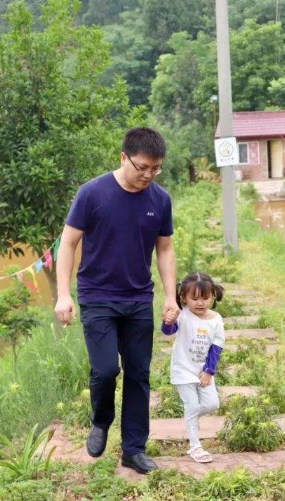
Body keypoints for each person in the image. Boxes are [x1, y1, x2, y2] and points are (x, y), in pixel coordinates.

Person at [54, 127, 180, 475]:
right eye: (142, 167)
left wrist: (171, 296)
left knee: (139, 374)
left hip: (138, 297)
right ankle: (101, 421)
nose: (148, 175)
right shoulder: (92, 193)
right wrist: (63, 294)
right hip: (97, 296)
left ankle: (133, 449)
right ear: (124, 157)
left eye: (155, 169)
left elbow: (165, 249)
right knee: (106, 369)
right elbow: (68, 243)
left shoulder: (160, 200)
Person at [161, 272, 225, 463]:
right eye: (194, 299)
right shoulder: (183, 315)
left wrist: (209, 371)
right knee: (193, 405)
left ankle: (191, 418)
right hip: (183, 370)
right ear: (183, 298)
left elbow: (217, 347)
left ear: (213, 296)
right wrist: (169, 320)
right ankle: (195, 447)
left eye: (205, 298)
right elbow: (168, 331)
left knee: (212, 404)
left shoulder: (216, 319)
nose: (200, 303)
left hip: (203, 371)